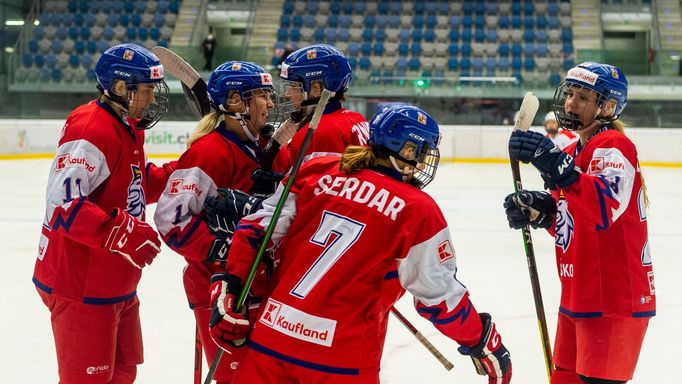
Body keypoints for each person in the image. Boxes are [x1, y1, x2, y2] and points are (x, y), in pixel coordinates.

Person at [209, 104, 513, 384]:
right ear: (406, 149)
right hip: (340, 359)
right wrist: (482, 340)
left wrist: (231, 285)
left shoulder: (317, 170)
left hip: (270, 340)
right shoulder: (417, 209)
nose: (422, 161)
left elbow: (254, 230)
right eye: (421, 152)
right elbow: (440, 300)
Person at [504, 62, 655, 384]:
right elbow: (572, 219)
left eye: (583, 97)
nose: (571, 103)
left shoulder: (614, 145)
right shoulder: (573, 149)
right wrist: (539, 211)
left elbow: (603, 208)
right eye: (570, 93)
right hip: (580, 292)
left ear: (608, 106)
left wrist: (558, 167)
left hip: (613, 299)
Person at [33, 43, 174, 383]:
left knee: (122, 373)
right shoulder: (91, 128)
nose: (153, 99)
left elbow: (134, 186)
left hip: (115, 281)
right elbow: (63, 205)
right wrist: (121, 233)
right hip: (80, 283)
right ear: (121, 87)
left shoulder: (129, 125)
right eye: (148, 90)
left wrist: (182, 172)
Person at [153, 61, 277, 383]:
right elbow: (171, 219)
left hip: (254, 285)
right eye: (262, 95)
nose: (271, 104)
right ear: (237, 101)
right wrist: (222, 245)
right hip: (220, 291)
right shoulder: (209, 152)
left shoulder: (261, 146)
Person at [271, 43, 369, 174]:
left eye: (293, 86)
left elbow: (307, 191)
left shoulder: (317, 134)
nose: (287, 94)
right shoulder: (356, 118)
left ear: (316, 89)